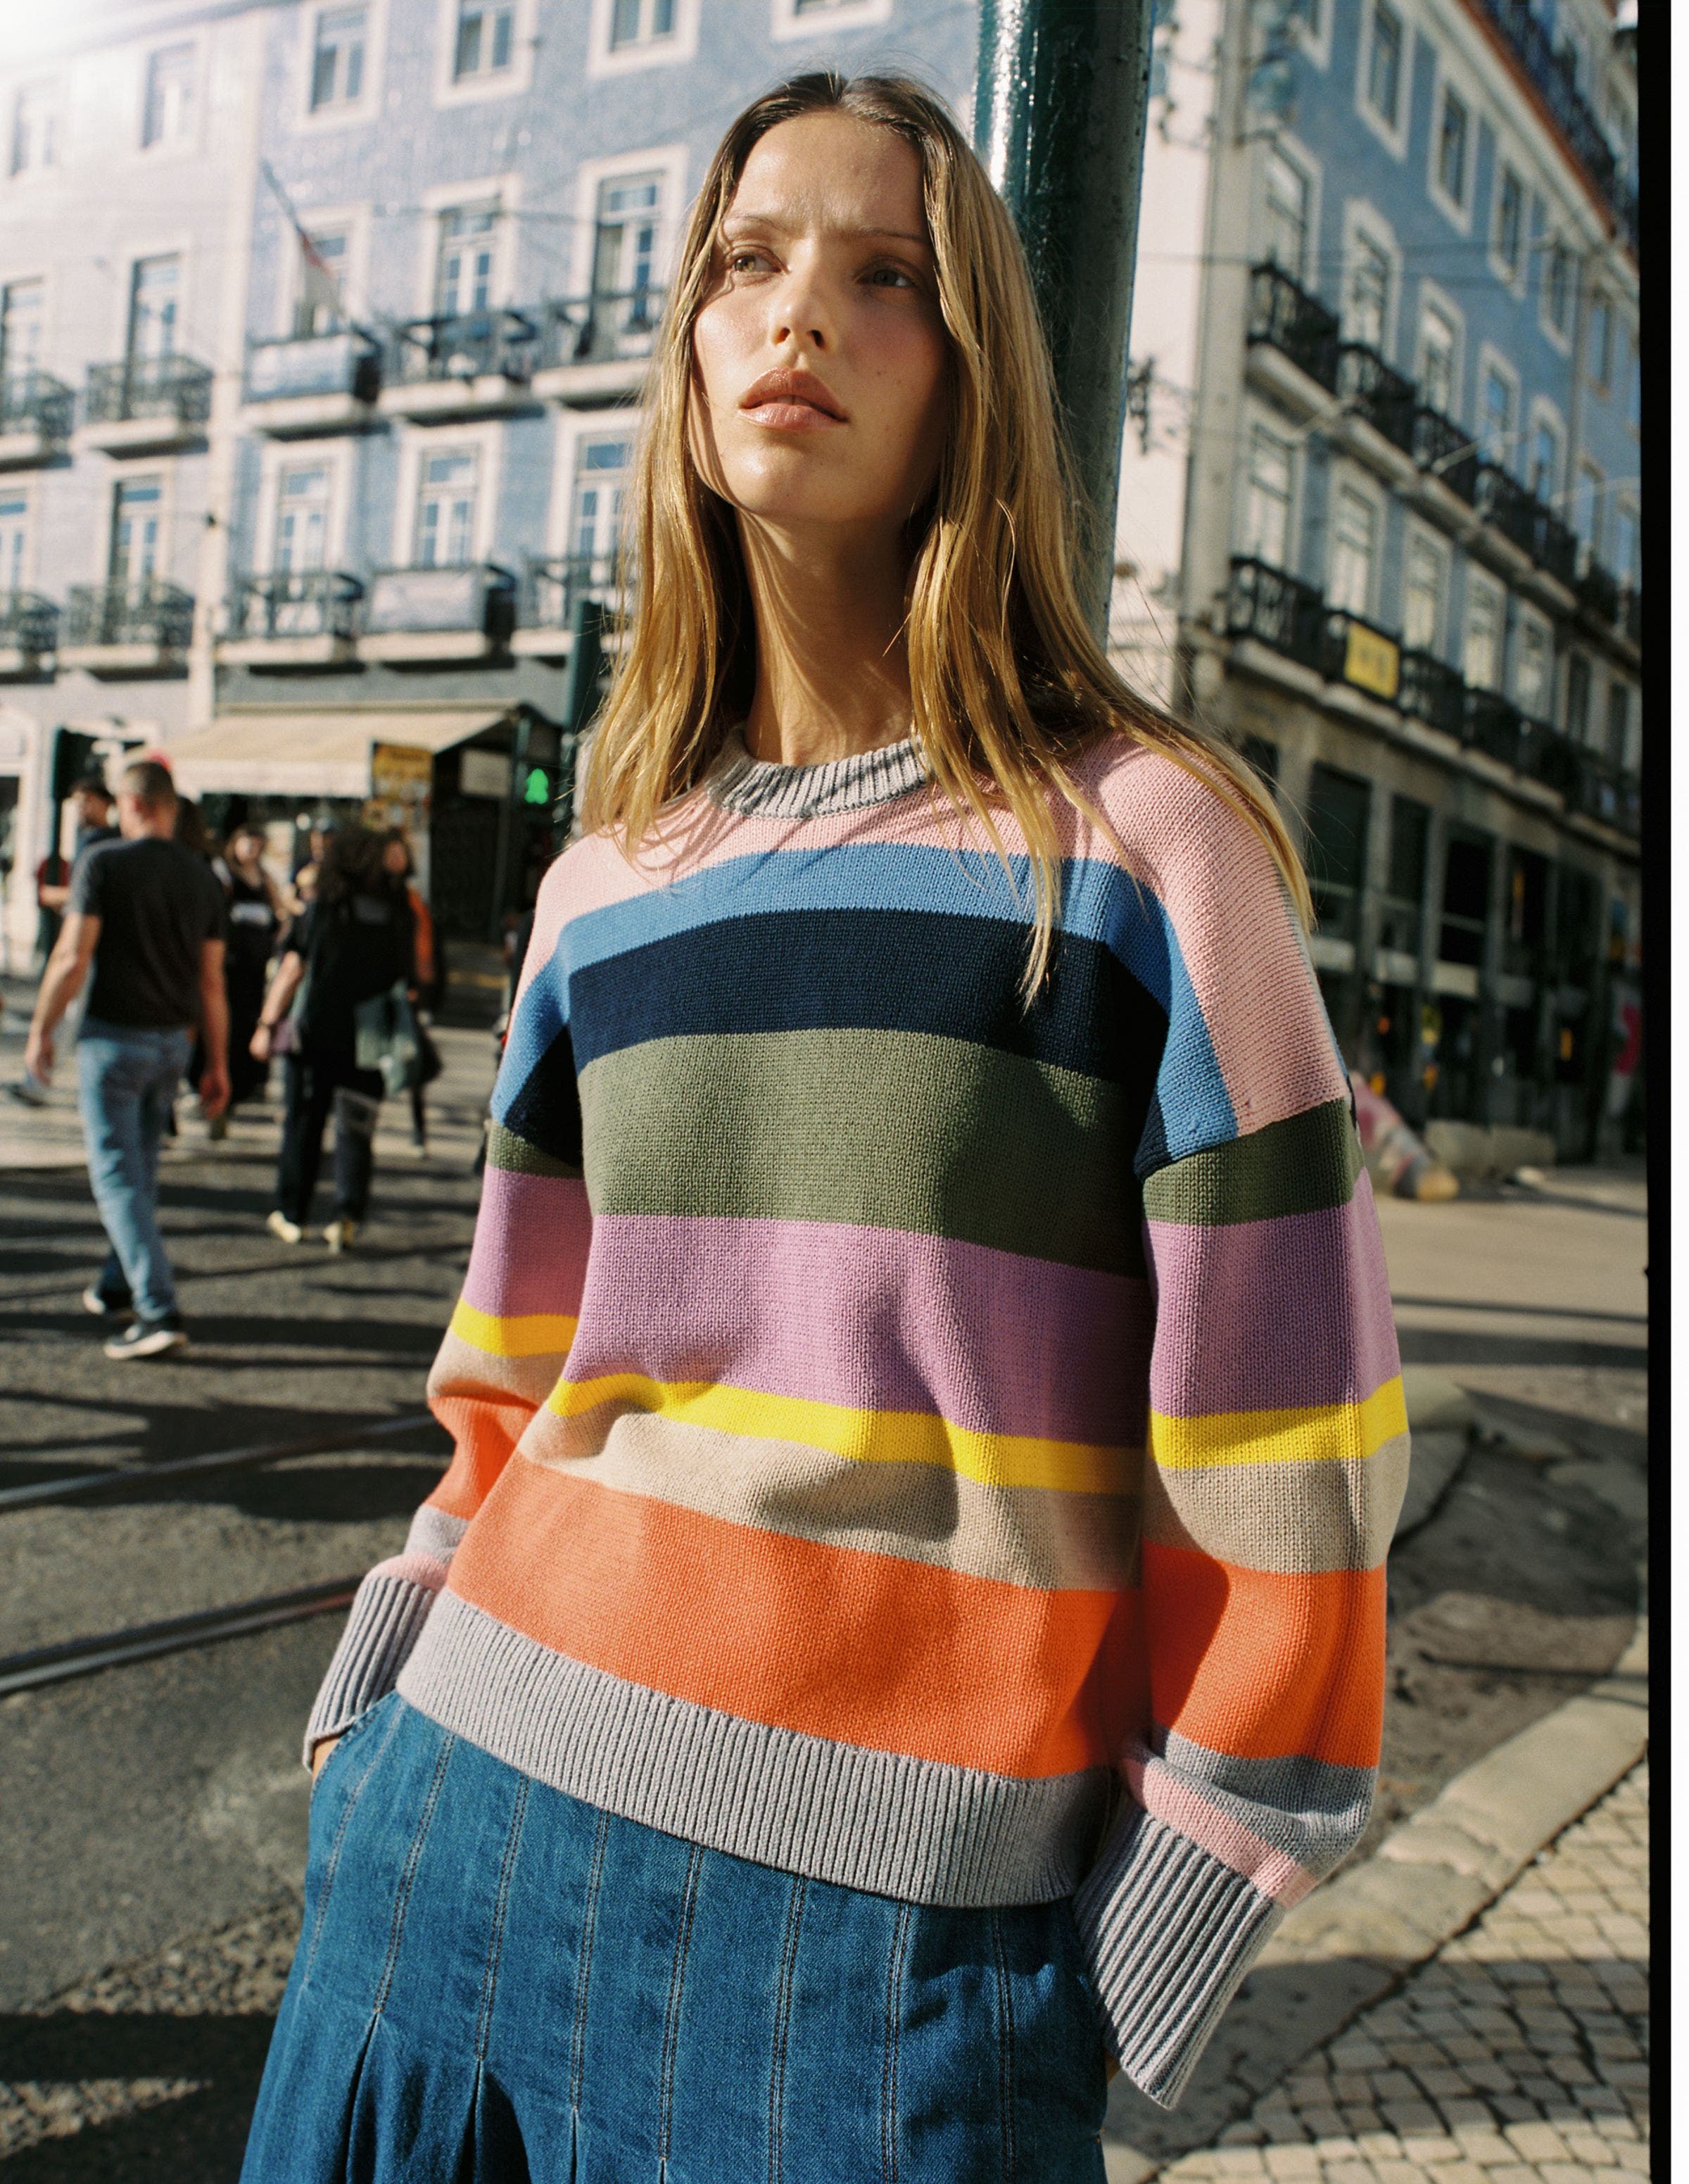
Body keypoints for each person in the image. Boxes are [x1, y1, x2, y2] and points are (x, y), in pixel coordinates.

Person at [243, 75, 1405, 2181]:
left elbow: (1290, 1449)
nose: (802, 314)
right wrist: (377, 1702)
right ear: (686, 348)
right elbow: (511, 1371)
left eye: (887, 277)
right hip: (448, 1847)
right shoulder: (605, 877)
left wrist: (1175, 1887)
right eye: (748, 261)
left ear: (971, 382)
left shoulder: (1142, 849)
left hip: (869, 1966)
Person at [23, 759, 228, 1359]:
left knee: (115, 1173)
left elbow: (71, 957)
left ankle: (158, 1307)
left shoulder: (103, 862)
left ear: (133, 803)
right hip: (172, 1043)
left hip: (113, 1039)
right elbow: (212, 983)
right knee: (140, 1168)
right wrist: (217, 1062)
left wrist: (43, 1030)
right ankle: (117, 1283)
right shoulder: (202, 878)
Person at [251, 823, 412, 1254]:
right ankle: (347, 1216)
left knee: (304, 1124)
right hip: (371, 1036)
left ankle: (292, 1214)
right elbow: (409, 977)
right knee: (356, 1128)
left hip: (317, 1033)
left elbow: (292, 969)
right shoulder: (396, 913)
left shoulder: (322, 910)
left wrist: (267, 1025)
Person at [220, 823, 286, 1108]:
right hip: (233, 956)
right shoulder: (226, 876)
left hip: (257, 958)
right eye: (246, 843)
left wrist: (276, 936)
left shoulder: (264, 877)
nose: (250, 850)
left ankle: (252, 1077)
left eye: (255, 844)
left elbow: (280, 909)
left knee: (252, 1012)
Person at [381, 829, 436, 1151]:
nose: (396, 859)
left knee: (413, 1062)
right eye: (390, 854)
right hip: (376, 991)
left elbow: (425, 949)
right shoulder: (371, 896)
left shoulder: (412, 899)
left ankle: (419, 1133)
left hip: (407, 990)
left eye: (400, 853)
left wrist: (422, 988)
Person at [33, 773, 118, 971]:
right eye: (77, 801)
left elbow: (92, 893)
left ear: (105, 803)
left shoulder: (101, 842)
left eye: (88, 800)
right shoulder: (87, 838)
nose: (81, 807)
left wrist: (55, 895)